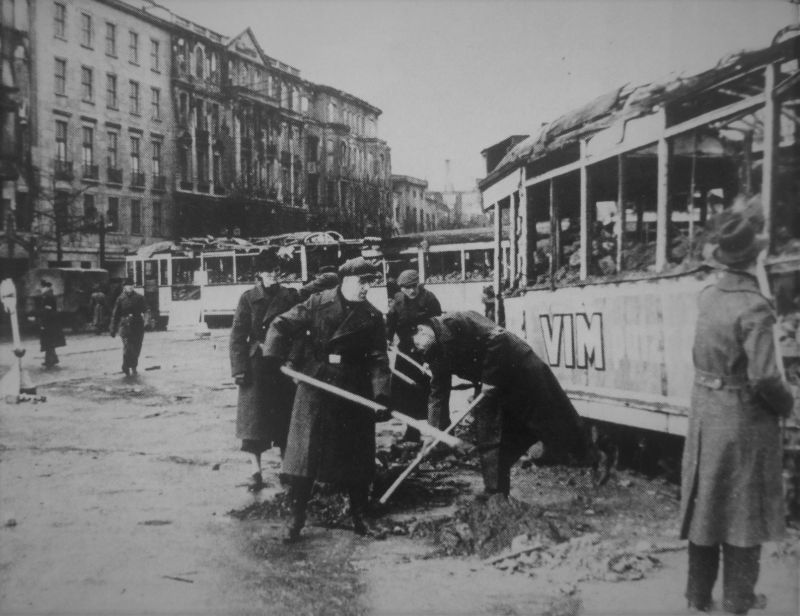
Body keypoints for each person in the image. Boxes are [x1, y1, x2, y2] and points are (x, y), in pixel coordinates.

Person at [679, 214, 794, 614]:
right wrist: (788, 403)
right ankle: (738, 598)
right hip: (743, 417)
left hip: (705, 413)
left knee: (706, 503)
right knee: (746, 508)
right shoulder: (755, 307)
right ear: (752, 261)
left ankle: (697, 596)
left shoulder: (708, 296)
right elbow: (764, 376)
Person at [263, 257, 391, 542]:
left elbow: (379, 359)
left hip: (353, 385)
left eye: (371, 282)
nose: (367, 288)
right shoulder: (317, 303)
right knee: (303, 456)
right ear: (346, 281)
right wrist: (273, 356)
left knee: (357, 456)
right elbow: (281, 324)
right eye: (362, 282)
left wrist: (381, 394)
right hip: (316, 382)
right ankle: (295, 519)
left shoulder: (372, 316)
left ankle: (360, 517)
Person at [412, 310, 595, 496]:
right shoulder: (433, 351)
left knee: (554, 422)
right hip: (491, 386)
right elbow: (438, 394)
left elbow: (498, 338)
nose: (417, 350)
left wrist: (489, 379)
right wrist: (434, 434)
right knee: (488, 432)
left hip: (521, 371)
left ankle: (594, 456)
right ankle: (495, 494)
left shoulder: (458, 320)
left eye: (416, 344)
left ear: (422, 330)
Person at [229, 249, 301, 492]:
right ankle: (255, 471)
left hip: (281, 364)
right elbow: (238, 336)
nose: (273, 275)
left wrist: (294, 361)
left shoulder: (290, 296)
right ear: (259, 274)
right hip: (256, 366)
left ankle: (286, 469)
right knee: (254, 423)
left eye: (276, 271)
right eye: (268, 271)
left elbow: (300, 332)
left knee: (284, 419)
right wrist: (239, 369)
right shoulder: (248, 298)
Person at [386, 269, 442, 438]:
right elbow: (391, 322)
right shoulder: (398, 300)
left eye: (413, 286)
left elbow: (438, 325)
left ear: (419, 284)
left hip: (426, 351)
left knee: (427, 391)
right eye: (406, 288)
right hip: (406, 352)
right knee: (405, 392)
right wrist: (387, 338)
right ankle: (412, 430)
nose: (411, 291)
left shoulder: (430, 299)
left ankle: (436, 428)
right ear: (401, 288)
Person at [109, 278, 147, 376]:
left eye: (131, 285)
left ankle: (134, 366)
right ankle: (126, 366)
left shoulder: (139, 297)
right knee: (127, 347)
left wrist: (146, 322)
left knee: (137, 347)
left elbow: (146, 310)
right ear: (124, 287)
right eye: (127, 285)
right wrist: (112, 329)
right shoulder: (120, 299)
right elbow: (115, 314)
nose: (129, 287)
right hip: (125, 326)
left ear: (133, 286)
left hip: (137, 325)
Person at [37, 279, 65, 368]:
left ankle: (49, 360)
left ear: (45, 287)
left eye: (41, 287)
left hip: (49, 323)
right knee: (50, 342)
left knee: (48, 342)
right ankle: (52, 359)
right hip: (52, 322)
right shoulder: (49, 295)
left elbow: (47, 311)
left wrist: (43, 323)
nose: (40, 289)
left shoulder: (47, 297)